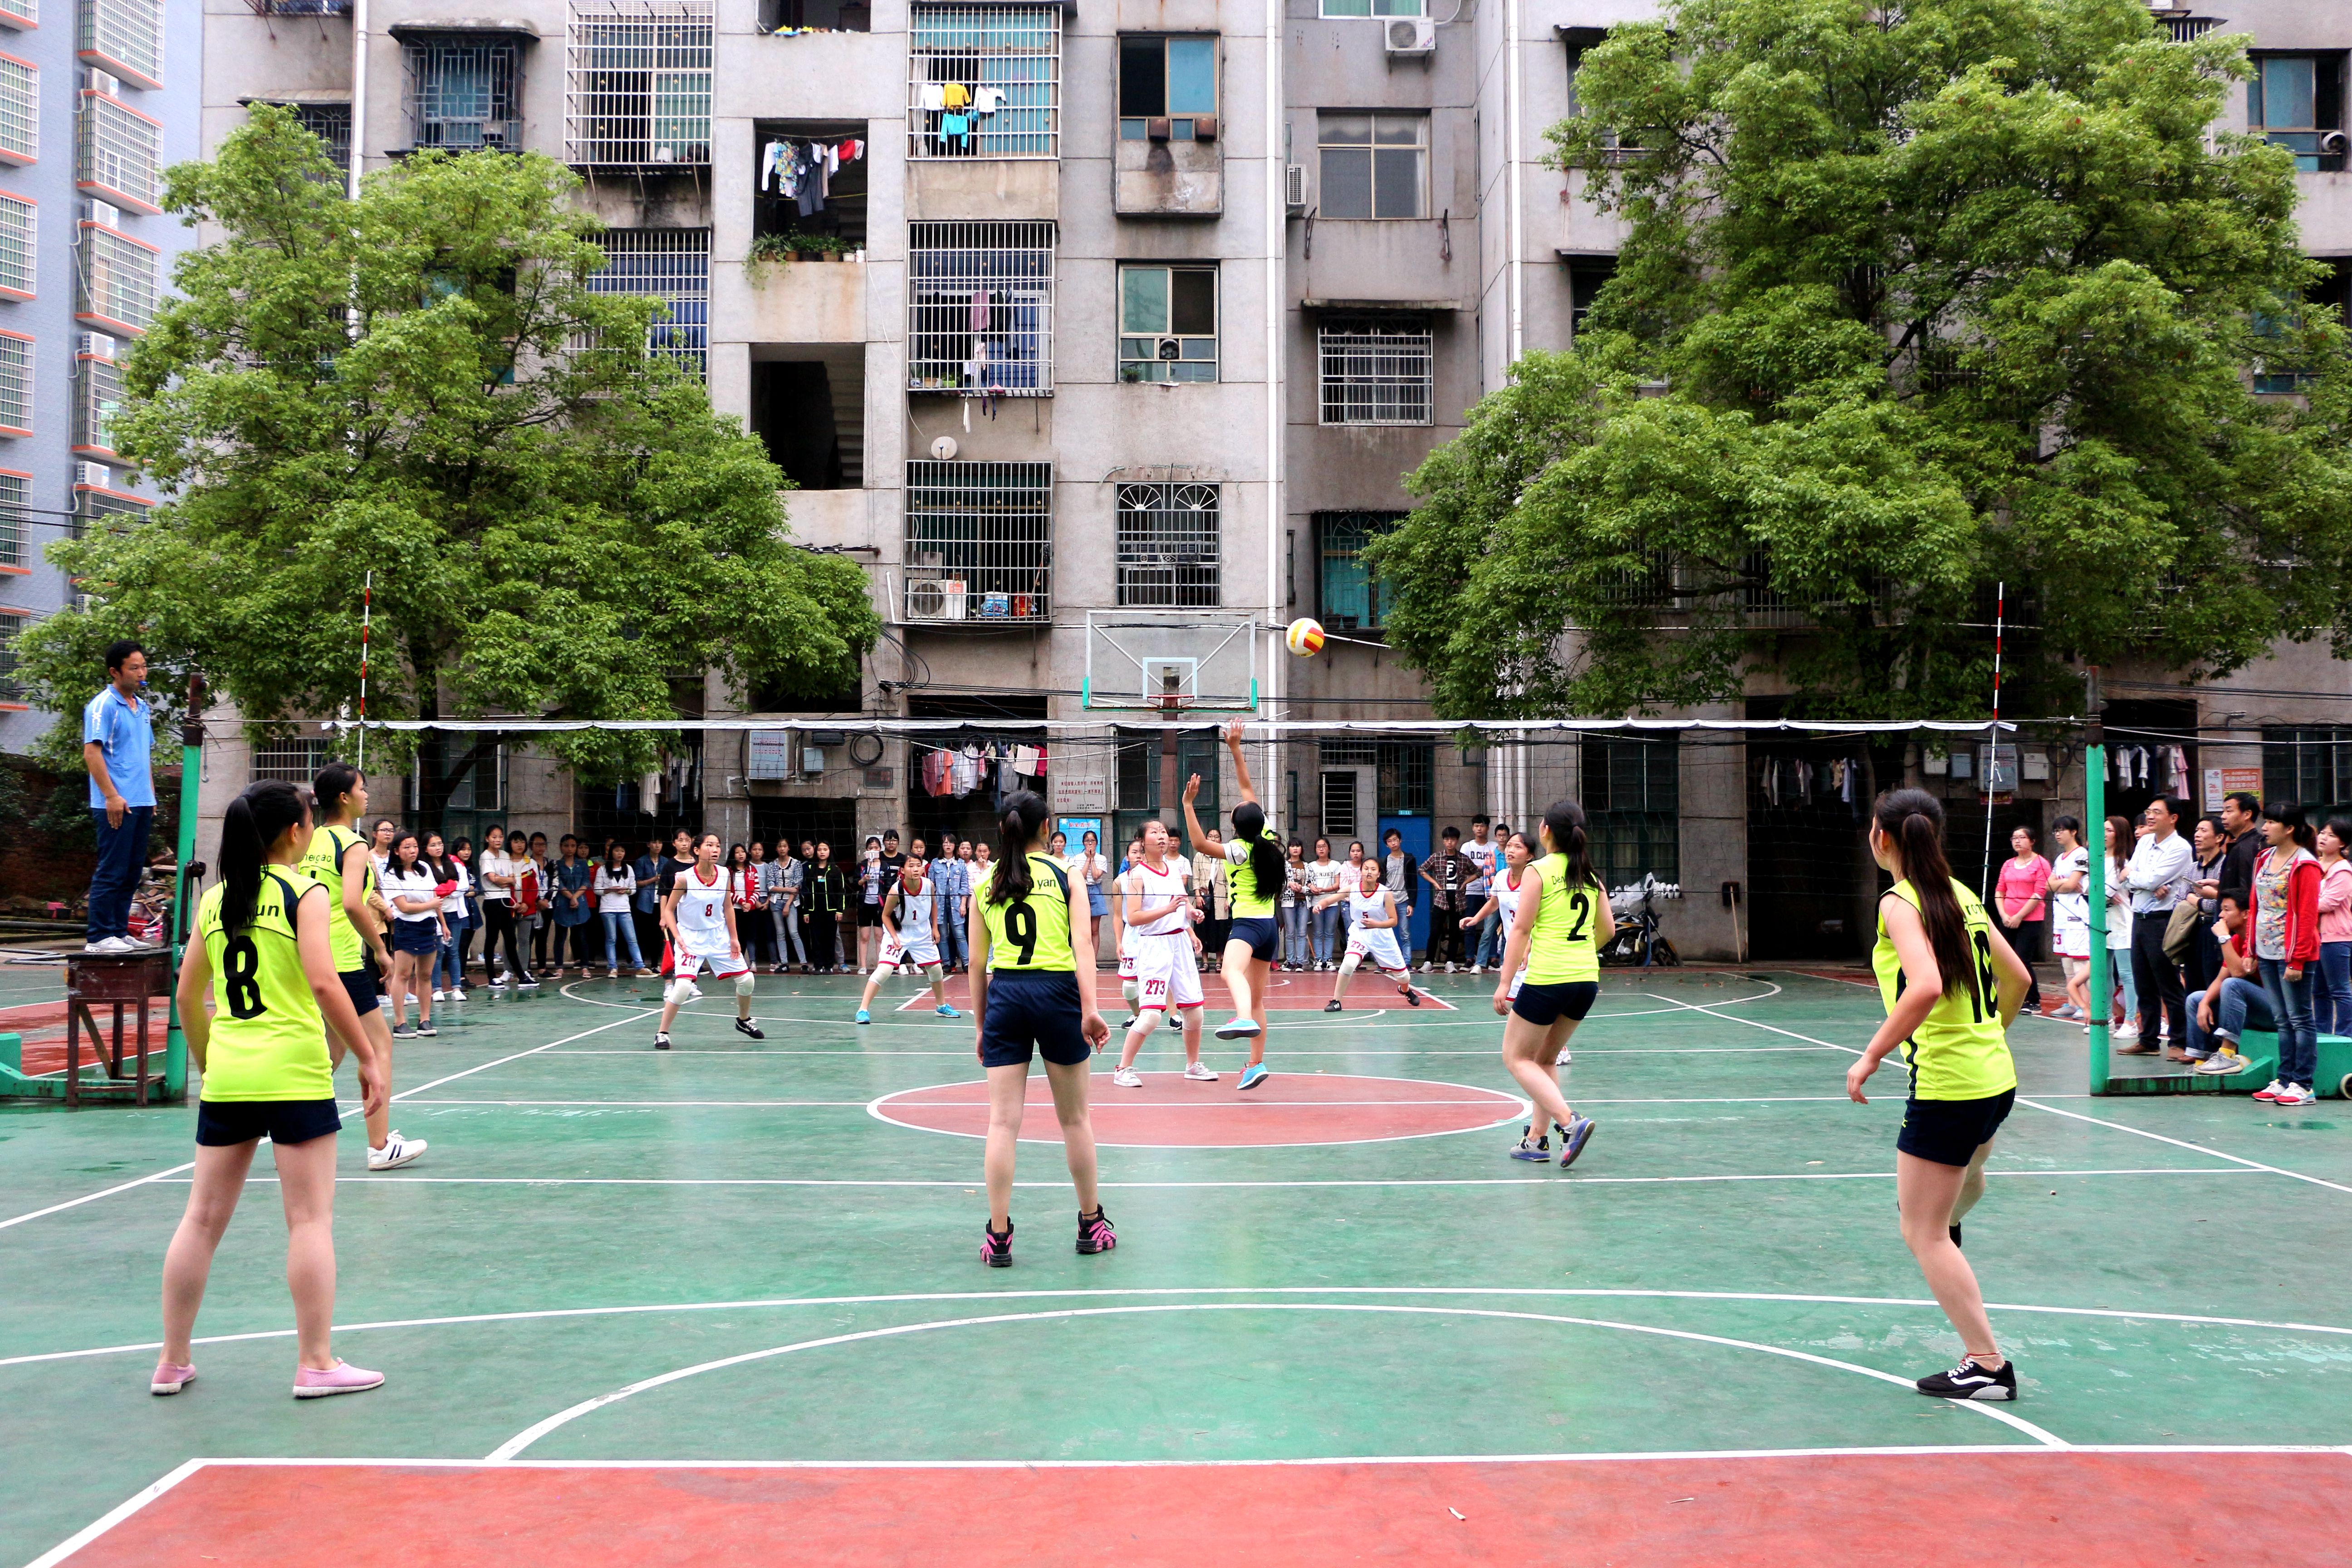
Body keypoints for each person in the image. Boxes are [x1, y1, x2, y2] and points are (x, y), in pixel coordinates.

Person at [153, 780, 389, 1401]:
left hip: (231, 1073)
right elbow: (324, 980)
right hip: (292, 1072)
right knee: (309, 1220)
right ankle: (315, 1363)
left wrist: (209, 1063)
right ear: (294, 832)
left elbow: (186, 996)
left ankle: (172, 1361)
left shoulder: (217, 899)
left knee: (200, 1221)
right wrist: (367, 1057)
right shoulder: (303, 892)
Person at [1846, 788, 2029, 1403]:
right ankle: (1951, 1227)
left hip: (1950, 1086)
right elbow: (2019, 978)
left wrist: (1872, 1053)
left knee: (1920, 1232)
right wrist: (1988, 1036)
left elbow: (1922, 986)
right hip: (1994, 1077)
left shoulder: (1901, 902)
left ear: (1882, 838)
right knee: (1961, 1189)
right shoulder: (1961, 894)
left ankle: (1987, 1363)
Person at [966, 789, 1114, 1266]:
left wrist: (980, 1024)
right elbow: (1084, 948)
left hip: (1006, 995)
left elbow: (974, 962)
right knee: (1075, 1119)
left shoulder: (985, 881)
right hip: (1057, 994)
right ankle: (1091, 1225)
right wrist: (1090, 1008)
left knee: (1002, 1123)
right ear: (1045, 827)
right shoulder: (1064, 874)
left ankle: (999, 1236)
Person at [297, 764, 422, 1171]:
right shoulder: (352, 845)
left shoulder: (310, 839)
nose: (368, 795)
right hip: (343, 961)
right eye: (362, 789)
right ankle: (380, 1145)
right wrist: (382, 951)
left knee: (330, 1053)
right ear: (345, 798)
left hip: (311, 953)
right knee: (379, 1047)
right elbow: (352, 902)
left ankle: (288, 1124)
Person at [1491, 802, 1609, 1166]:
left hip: (1549, 979)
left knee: (1515, 1057)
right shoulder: (1590, 875)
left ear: (1545, 831)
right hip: (1585, 980)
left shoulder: (1537, 871)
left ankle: (1569, 1123)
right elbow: (1607, 930)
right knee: (1544, 1058)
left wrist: (1504, 981)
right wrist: (1579, 955)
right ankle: (1535, 1140)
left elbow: (1522, 929)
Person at [1182, 720, 1286, 1089]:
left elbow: (1197, 845)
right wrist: (1236, 748)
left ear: (1235, 824)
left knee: (1229, 972)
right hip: (1269, 928)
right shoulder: (1267, 837)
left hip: (1247, 926)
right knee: (1258, 1001)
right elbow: (1247, 789)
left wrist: (1188, 805)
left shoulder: (1239, 850)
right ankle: (1255, 1064)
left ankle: (1241, 1018)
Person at [1111, 819, 1216, 1086]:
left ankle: (1192, 1065)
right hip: (1154, 945)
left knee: (1195, 1012)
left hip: (1179, 942)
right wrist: (1167, 911)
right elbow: (1133, 918)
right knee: (1152, 1015)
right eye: (1155, 833)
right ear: (1142, 841)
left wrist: (1192, 915)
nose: (1161, 837)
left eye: (1164, 832)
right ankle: (1123, 1069)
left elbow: (1181, 903)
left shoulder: (1174, 868)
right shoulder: (1137, 875)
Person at [653, 832, 766, 1051]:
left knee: (747, 981)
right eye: (710, 845)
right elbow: (668, 911)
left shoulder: (724, 874)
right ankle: (662, 1033)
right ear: (697, 850)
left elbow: (727, 907)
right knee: (683, 986)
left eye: (718, 846)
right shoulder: (684, 878)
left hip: (718, 936)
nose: (715, 850)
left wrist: (734, 938)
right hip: (690, 938)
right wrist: (678, 938)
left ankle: (743, 1020)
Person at [82, 640, 158, 954]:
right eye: (134, 667)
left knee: (132, 869)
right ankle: (99, 937)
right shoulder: (104, 706)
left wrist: (151, 796)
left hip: (140, 801)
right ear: (116, 672)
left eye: (143, 665)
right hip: (115, 803)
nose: (141, 672)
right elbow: (91, 752)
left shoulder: (142, 708)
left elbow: (143, 757)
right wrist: (112, 796)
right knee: (112, 869)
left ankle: (117, 931)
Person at [2249, 802, 2322, 1107]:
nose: (2264, 828)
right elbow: (2256, 906)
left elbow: (2306, 916)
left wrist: (2298, 959)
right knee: (2282, 1020)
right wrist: (2250, 948)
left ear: (2289, 828)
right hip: (2266, 950)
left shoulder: (2305, 865)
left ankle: (2303, 1084)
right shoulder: (2264, 858)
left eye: (2271, 823)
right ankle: (2284, 1079)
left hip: (2293, 954)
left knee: (2300, 1019)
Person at [2118, 798, 2193, 1054]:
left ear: (2173, 818)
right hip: (2139, 918)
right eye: (2148, 811)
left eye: (2157, 813)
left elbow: (2149, 879)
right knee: (2143, 983)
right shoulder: (2145, 841)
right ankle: (2148, 1040)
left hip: (2163, 920)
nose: (2150, 817)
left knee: (2168, 983)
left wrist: (2139, 881)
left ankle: (2178, 1041)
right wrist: (2142, 882)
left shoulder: (2180, 848)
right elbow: (2125, 876)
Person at [856, 856, 960, 1023]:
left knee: (936, 969)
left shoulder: (928, 885)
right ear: (903, 871)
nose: (916, 869)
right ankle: (863, 1010)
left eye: (919, 866)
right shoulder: (896, 890)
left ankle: (941, 1006)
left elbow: (934, 904)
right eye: (912, 866)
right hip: (899, 931)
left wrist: (935, 928)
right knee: (884, 971)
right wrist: (895, 938)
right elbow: (885, 916)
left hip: (922, 931)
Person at [1317, 860, 1423, 1012]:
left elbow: (1394, 921)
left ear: (1379, 874)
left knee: (1404, 977)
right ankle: (1336, 1001)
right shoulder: (1352, 889)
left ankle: (1405, 990)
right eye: (1366, 868)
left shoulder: (1385, 893)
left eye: (1373, 869)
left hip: (1381, 935)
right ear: (1361, 871)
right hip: (1359, 933)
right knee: (1349, 964)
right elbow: (1330, 899)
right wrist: (1321, 905)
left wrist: (1375, 924)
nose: (1369, 872)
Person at [2188, 888, 2269, 1074]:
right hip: (2249, 1012)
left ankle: (2227, 1054)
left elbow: (2238, 973)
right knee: (2196, 999)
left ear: (2246, 914)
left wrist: (2223, 938)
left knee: (2233, 985)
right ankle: (2202, 1062)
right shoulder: (2234, 940)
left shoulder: (2258, 938)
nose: (2222, 915)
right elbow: (2221, 977)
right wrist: (2205, 1003)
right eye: (2221, 910)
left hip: (2273, 1012)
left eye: (2227, 910)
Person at [381, 832, 446, 1039]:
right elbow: (404, 907)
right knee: (402, 975)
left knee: (426, 975)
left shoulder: (425, 869)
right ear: (397, 851)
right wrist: (431, 905)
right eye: (407, 847)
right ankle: (400, 1022)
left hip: (429, 926)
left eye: (415, 847)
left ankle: (424, 1020)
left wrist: (443, 924)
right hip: (406, 927)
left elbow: (435, 898)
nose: (412, 851)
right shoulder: (391, 874)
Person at [1460, 828, 1532, 1000]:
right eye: (1509, 846)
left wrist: (1528, 947)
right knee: (1512, 1000)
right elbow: (1494, 903)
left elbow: (1539, 920)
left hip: (1535, 949)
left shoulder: (1535, 879)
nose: (1510, 851)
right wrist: (1476, 918)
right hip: (1513, 948)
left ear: (1529, 856)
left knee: (1534, 1001)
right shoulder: (1501, 876)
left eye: (1517, 847)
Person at [1993, 825, 2049, 1013]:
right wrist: (2004, 915)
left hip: (2030, 919)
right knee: (2004, 960)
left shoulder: (2041, 863)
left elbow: (2039, 893)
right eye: (2014, 838)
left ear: (2032, 841)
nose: (2017, 841)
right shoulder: (2008, 864)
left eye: (2022, 837)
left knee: (2022, 960)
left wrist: (2019, 916)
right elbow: (2000, 890)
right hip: (2007, 918)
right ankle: (2006, 998)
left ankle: (2033, 1001)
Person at [475, 825, 535, 989]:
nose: (498, 840)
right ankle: (491, 977)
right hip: (493, 902)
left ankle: (522, 976)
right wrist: (505, 880)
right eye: (494, 837)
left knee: (511, 939)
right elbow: (493, 879)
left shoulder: (504, 855)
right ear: (487, 838)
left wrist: (505, 880)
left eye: (500, 837)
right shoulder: (485, 856)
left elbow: (511, 880)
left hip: (506, 901)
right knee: (492, 939)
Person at [2045, 817, 2092, 1024]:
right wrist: (2064, 883)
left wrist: (2062, 883)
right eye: (2055, 830)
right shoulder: (2059, 857)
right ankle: (2072, 1003)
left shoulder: (2081, 853)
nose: (2057, 834)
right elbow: (2048, 885)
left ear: (2073, 832)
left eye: (2062, 830)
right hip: (2061, 915)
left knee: (2080, 962)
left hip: (2077, 915)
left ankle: (2087, 1005)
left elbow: (2074, 884)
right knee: (2066, 962)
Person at [1419, 827, 1474, 973]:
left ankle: (1450, 962)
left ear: (1457, 841)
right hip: (1441, 899)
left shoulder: (1463, 858)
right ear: (1443, 841)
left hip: (1458, 900)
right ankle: (1428, 961)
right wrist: (1435, 883)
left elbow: (1477, 872)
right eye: (1447, 840)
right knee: (1435, 931)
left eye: (1453, 840)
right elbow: (1422, 869)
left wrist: (1465, 883)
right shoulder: (1437, 857)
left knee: (1455, 932)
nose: (1450, 842)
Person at [2102, 815, 2138, 1036]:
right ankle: (2106, 1018)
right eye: (2103, 830)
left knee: (2126, 973)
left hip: (2122, 922)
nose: (2104, 835)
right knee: (2103, 973)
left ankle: (2131, 1021)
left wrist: (2106, 892)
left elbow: (2108, 890)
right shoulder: (2094, 858)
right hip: (2100, 922)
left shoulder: (2126, 862)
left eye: (2109, 831)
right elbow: (2084, 887)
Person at [2317, 818, 2352, 1036]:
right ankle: (2321, 1036)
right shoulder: (2314, 865)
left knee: (2340, 990)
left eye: (2331, 835)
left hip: (2337, 937)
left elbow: (2327, 903)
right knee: (2318, 992)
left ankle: (2345, 1037)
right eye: (2322, 833)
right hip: (2315, 936)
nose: (2323, 838)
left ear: (2342, 844)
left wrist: (2298, 901)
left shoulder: (2343, 870)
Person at [595, 843, 645, 978]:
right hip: (607, 909)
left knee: (632, 939)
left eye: (622, 851)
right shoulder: (603, 870)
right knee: (611, 939)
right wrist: (610, 890)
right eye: (617, 851)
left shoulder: (628, 869)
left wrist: (626, 890)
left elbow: (634, 889)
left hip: (624, 908)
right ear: (612, 852)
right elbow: (597, 889)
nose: (620, 854)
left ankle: (640, 966)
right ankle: (613, 967)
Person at [550, 834, 594, 978]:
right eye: (566, 845)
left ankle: (585, 967)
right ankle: (559, 967)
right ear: (561, 847)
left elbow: (586, 882)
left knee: (582, 937)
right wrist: (570, 897)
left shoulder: (583, 864)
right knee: (561, 937)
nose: (570, 849)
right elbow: (559, 884)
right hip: (562, 903)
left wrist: (575, 897)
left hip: (580, 903)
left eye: (573, 846)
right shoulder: (557, 864)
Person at [804, 840, 848, 973]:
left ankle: (829, 966)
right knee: (816, 939)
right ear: (816, 852)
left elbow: (841, 891)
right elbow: (806, 892)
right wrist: (806, 912)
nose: (822, 852)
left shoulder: (835, 870)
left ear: (830, 852)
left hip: (831, 911)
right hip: (814, 910)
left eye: (825, 850)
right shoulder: (811, 869)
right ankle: (818, 966)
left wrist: (840, 910)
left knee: (830, 938)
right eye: (820, 850)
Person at [730, 843, 775, 973]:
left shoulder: (751, 870)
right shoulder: (729, 871)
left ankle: (744, 963)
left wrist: (750, 903)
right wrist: (741, 902)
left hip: (751, 909)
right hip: (735, 908)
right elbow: (729, 891)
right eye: (738, 852)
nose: (741, 855)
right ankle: (734, 963)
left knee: (748, 936)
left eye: (742, 852)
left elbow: (756, 889)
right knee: (736, 936)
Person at [1463, 817, 1499, 973]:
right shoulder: (1467, 847)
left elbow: (1495, 866)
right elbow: (1464, 867)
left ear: (1488, 828)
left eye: (1482, 826)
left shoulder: (1495, 847)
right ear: (1472, 828)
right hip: (1472, 890)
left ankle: (1493, 958)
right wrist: (1483, 867)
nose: (1479, 829)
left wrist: (1479, 868)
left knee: (1490, 927)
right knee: (1470, 925)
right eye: (1476, 826)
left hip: (1491, 892)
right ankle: (1469, 958)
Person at [1382, 829, 1419, 968]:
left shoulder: (1409, 859)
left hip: (1404, 900)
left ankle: (1407, 962)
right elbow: (1381, 882)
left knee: (1405, 933)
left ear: (1401, 841)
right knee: (1386, 933)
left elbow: (1414, 883)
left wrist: (1412, 904)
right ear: (1387, 844)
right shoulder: (1384, 861)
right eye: (1390, 841)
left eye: (1396, 840)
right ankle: (1385, 963)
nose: (1393, 843)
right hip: (1388, 901)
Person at [931, 838, 969, 975]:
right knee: (943, 935)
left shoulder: (961, 864)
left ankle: (967, 963)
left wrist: (963, 904)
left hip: (956, 903)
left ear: (955, 846)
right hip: (939, 903)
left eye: (951, 843)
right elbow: (931, 885)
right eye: (945, 843)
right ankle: (946, 963)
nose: (948, 845)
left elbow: (965, 886)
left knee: (960, 934)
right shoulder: (935, 863)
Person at [1307, 838, 1343, 970]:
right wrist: (1312, 887)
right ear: (1315, 850)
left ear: (1329, 848)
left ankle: (1328, 959)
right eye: (1318, 847)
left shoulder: (1335, 865)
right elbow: (1308, 881)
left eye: (1324, 846)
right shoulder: (1310, 865)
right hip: (1316, 903)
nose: (1321, 849)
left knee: (1329, 932)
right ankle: (1319, 960)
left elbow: (1338, 885)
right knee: (1317, 932)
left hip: (1332, 904)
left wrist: (1324, 890)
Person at [857, 834, 887, 973]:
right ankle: (863, 966)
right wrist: (863, 880)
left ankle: (880, 966)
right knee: (865, 936)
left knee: (879, 936)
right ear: (866, 851)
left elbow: (888, 886)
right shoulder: (862, 866)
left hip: (880, 905)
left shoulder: (884, 866)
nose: (873, 850)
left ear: (880, 849)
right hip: (865, 904)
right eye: (870, 848)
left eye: (876, 848)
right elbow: (855, 884)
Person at [1280, 840, 1311, 971]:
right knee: (1290, 932)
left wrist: (1302, 889)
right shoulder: (1284, 865)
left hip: (1304, 901)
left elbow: (1311, 885)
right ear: (1288, 849)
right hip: (1288, 901)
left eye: (1298, 846)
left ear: (1302, 849)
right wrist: (1289, 884)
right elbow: (1279, 883)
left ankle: (1300, 962)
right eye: (1292, 846)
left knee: (1302, 932)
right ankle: (1291, 961)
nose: (1295, 849)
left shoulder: (1307, 866)